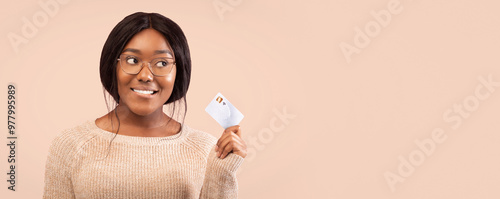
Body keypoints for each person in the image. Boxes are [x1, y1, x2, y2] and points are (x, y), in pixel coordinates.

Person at [43, 12, 247, 198]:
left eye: (162, 63)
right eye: (132, 60)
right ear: (112, 65)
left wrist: (223, 173)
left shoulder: (207, 149)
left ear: (179, 71)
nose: (145, 76)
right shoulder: (70, 146)